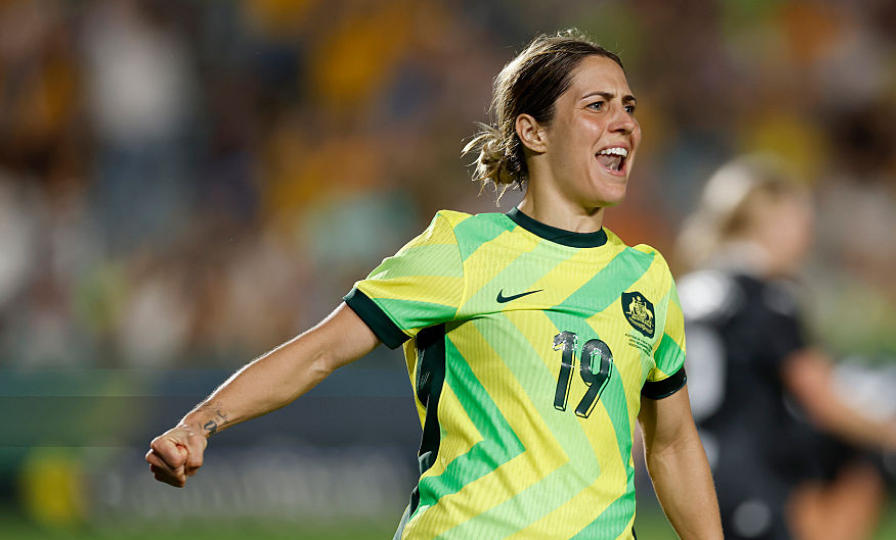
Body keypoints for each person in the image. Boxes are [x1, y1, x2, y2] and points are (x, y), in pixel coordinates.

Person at [146, 30, 723, 540]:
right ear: (533, 132)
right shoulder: (462, 250)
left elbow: (671, 443)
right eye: (597, 105)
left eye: (628, 106)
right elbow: (322, 350)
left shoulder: (647, 277)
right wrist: (200, 423)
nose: (624, 121)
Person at [674, 154, 896, 540]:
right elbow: (821, 399)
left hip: (693, 477)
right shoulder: (767, 297)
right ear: (767, 222)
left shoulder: (690, 291)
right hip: (754, 478)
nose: (806, 236)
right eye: (799, 222)